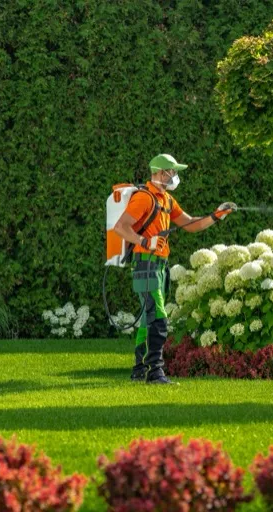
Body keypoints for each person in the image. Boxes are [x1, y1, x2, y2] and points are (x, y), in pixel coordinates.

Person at [113, 154, 235, 385]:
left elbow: (190, 223)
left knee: (148, 318)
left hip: (160, 265)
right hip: (145, 264)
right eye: (173, 171)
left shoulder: (167, 200)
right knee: (158, 317)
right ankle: (155, 372)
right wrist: (144, 241)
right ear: (161, 173)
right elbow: (121, 227)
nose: (175, 176)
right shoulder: (144, 198)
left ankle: (139, 369)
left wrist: (216, 215)